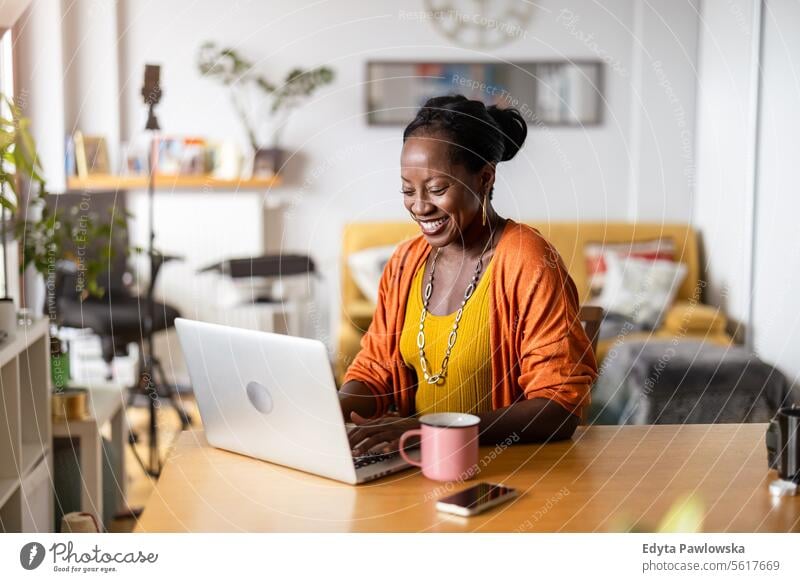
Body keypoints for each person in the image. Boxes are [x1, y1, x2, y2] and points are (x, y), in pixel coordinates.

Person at [341, 95, 597, 456]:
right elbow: (373, 372)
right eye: (407, 190)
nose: (419, 206)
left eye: (437, 189)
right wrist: (329, 409)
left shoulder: (528, 261)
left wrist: (430, 432)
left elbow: (559, 407)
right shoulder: (404, 263)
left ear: (485, 177)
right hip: (415, 466)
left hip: (505, 470)